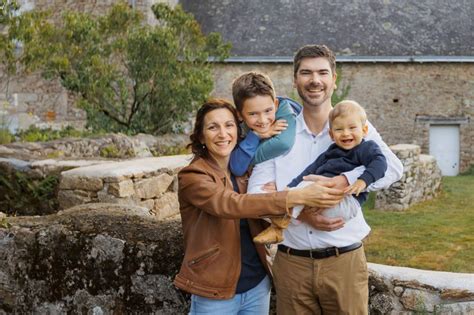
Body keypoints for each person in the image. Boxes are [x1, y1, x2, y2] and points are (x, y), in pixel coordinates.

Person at [247, 45, 404, 314]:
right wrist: (302, 214)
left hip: (343, 260)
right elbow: (254, 197)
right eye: (306, 73)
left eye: (322, 72)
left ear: (334, 79)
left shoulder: (355, 125)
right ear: (295, 79)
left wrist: (346, 180)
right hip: (292, 263)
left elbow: (393, 168)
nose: (314, 80)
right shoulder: (280, 133)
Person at [173, 98, 346, 315]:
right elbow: (231, 204)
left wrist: (301, 207)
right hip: (215, 290)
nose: (223, 134)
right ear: (201, 136)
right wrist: (295, 196)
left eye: (229, 125)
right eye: (212, 127)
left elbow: (264, 201)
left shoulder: (245, 171)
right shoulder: (194, 176)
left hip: (256, 284)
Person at [255, 99, 388, 244]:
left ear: (364, 130)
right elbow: (309, 171)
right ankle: (281, 224)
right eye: (339, 129)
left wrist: (362, 181)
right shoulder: (331, 152)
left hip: (345, 202)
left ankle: (278, 226)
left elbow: (380, 164)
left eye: (352, 128)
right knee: (300, 188)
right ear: (331, 135)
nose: (345, 133)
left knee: (299, 194)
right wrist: (290, 188)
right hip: (320, 198)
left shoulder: (366, 148)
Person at [229, 71, 301, 177]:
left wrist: (245, 161)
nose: (263, 120)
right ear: (239, 115)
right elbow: (237, 169)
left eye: (268, 111)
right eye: (253, 114)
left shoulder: (285, 111)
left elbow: (283, 144)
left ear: (275, 105)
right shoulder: (234, 125)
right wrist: (256, 136)